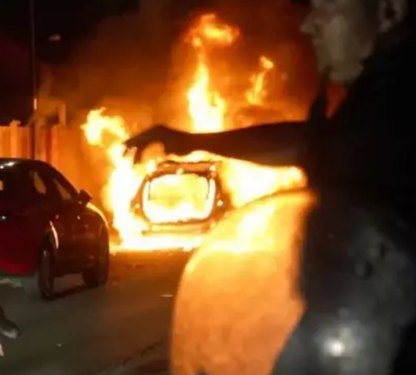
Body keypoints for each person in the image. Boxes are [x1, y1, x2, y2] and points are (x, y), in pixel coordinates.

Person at [125, 0, 416, 373]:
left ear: (389, 10)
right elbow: (306, 143)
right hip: (347, 323)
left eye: (327, 8)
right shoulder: (372, 101)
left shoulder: (402, 103)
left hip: (381, 336)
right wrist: (191, 142)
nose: (309, 25)